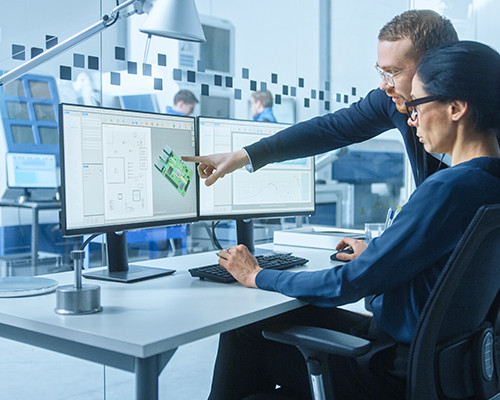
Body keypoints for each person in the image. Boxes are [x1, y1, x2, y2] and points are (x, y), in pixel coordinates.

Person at [207, 40, 500, 400]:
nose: (411, 118)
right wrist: (382, 252)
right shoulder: (487, 181)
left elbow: (348, 283)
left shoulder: (448, 188)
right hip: (442, 368)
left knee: (244, 331)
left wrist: (258, 275)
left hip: (387, 371)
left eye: (418, 106)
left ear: (456, 108)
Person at [182, 10, 458, 189]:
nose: (384, 85)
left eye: (394, 72)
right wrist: (244, 155)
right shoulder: (394, 100)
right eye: (381, 72)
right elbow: (329, 129)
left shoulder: (483, 127)